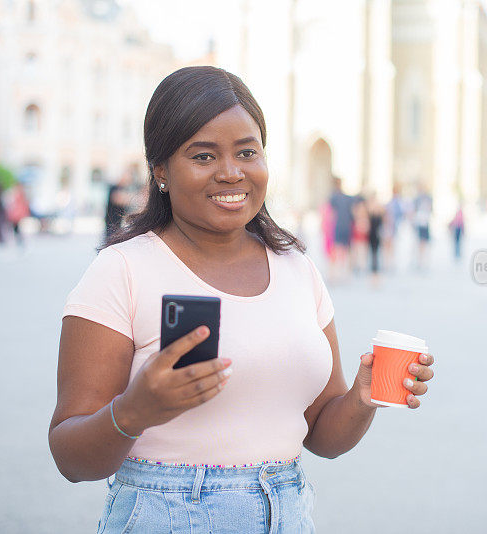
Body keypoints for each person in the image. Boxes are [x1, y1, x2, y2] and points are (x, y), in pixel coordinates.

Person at [48, 66, 436, 533]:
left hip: (287, 511)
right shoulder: (122, 271)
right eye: (203, 156)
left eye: (247, 152)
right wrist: (134, 410)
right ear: (161, 172)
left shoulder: (297, 267)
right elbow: (70, 457)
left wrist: (364, 394)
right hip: (167, 516)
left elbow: (324, 436)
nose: (231, 173)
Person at [328, 176, 355, 282]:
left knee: (336, 250)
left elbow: (331, 214)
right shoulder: (348, 198)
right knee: (346, 250)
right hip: (347, 226)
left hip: (338, 226)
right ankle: (345, 273)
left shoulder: (333, 197)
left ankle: (334, 274)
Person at [104, 170, 133, 239]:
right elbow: (118, 200)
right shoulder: (114, 187)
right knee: (110, 241)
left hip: (118, 222)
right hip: (111, 222)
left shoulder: (124, 189)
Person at [413, 187, 433, 272]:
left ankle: (424, 262)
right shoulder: (417, 200)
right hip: (420, 225)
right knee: (420, 244)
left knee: (424, 244)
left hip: (425, 225)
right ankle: (420, 261)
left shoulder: (428, 200)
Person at [6, 182, 30, 247]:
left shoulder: (19, 193)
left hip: (17, 212)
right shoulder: (19, 193)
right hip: (17, 212)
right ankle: (18, 238)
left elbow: (21, 203)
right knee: (16, 226)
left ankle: (19, 238)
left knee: (16, 226)